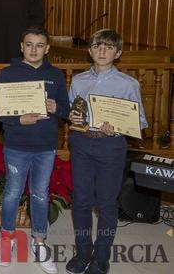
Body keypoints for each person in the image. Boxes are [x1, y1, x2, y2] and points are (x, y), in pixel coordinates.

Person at [65, 29, 147, 274]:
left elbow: (140, 122)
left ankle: (101, 258)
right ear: (90, 50)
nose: (102, 51)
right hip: (81, 143)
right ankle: (83, 252)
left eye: (108, 47)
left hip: (111, 146)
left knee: (106, 204)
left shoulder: (129, 84)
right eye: (97, 46)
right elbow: (74, 112)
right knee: (80, 201)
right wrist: (73, 116)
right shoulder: (78, 81)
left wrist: (118, 126)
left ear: (118, 53)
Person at [0, 27, 69, 273]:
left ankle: (39, 241)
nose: (34, 49)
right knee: (12, 194)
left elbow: (66, 110)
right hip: (16, 145)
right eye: (29, 44)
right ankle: (7, 238)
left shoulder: (56, 75)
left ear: (47, 48)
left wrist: (57, 106)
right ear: (21, 46)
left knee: (40, 194)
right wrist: (18, 120)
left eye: (39, 45)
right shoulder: (6, 74)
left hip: (45, 146)